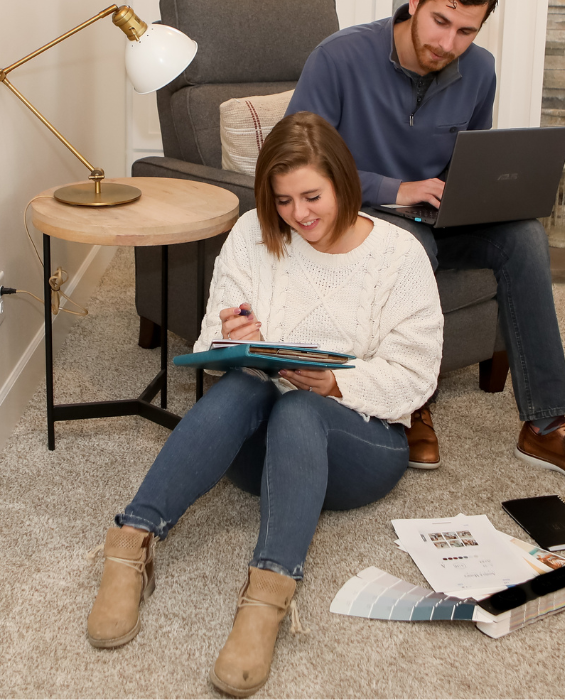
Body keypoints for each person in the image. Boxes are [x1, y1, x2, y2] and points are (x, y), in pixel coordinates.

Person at [85, 112, 442, 697]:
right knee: (246, 384)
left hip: (360, 446)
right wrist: (230, 337)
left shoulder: (399, 256)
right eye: (283, 201)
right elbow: (209, 347)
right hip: (258, 450)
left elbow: (415, 376)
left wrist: (333, 385)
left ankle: (268, 597)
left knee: (302, 407)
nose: (299, 214)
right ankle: (131, 546)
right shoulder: (253, 233)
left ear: (344, 183)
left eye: (312, 196)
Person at [285, 0, 565, 492]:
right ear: (415, 1)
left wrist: (480, 194)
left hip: (436, 217)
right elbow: (298, 162)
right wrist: (394, 189)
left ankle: (545, 423)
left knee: (523, 237)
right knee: (412, 250)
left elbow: (466, 164)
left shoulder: (480, 71)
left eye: (466, 32)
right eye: (440, 22)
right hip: (362, 218)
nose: (448, 45)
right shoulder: (338, 58)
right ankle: (410, 405)